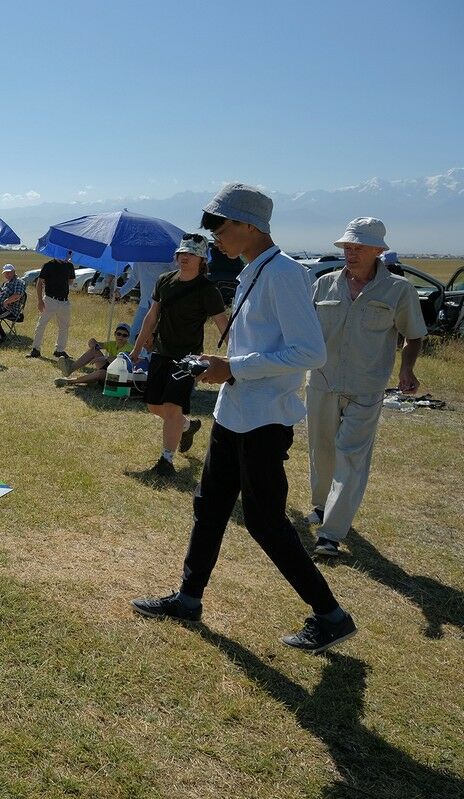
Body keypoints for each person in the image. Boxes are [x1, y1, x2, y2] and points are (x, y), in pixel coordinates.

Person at [132, 183, 356, 655]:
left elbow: (310, 352)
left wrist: (234, 366)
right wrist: (219, 365)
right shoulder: (254, 269)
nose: (214, 237)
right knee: (209, 507)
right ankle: (189, 599)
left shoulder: (284, 273)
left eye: (220, 226)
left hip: (264, 420)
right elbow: (258, 344)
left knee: (265, 522)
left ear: (249, 226)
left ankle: (331, 616)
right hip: (234, 412)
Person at [306, 218, 426, 557]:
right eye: (347, 246)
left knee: (351, 456)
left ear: (378, 251)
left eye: (359, 247)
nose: (351, 252)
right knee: (322, 450)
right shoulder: (324, 284)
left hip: (366, 387)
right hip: (322, 382)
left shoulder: (399, 290)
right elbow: (305, 332)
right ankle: (321, 505)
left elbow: (414, 335)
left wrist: (407, 369)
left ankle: (330, 534)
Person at [129, 234, 228, 477]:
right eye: (182, 253)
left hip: (188, 359)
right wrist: (137, 348)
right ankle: (187, 426)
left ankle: (166, 461)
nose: (185, 257)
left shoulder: (207, 289)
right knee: (154, 406)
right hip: (161, 352)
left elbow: (222, 324)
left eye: (191, 254)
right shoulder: (164, 281)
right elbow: (152, 316)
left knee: (173, 407)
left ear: (202, 260)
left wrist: (235, 360)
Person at [27, 252, 75, 359]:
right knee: (41, 324)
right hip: (49, 300)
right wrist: (40, 300)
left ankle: (60, 351)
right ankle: (35, 349)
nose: (69, 255)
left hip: (64, 302)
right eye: (68, 253)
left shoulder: (70, 266)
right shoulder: (48, 265)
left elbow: (71, 281)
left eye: (70, 254)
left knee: (64, 327)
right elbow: (39, 283)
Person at [55, 322, 133, 386]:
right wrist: (93, 344)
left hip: (118, 376)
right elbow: (96, 344)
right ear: (115, 334)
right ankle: (70, 369)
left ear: (128, 337)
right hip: (109, 369)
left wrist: (104, 358)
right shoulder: (112, 344)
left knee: (100, 373)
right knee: (94, 350)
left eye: (124, 335)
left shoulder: (129, 347)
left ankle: (70, 381)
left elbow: (121, 360)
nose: (121, 337)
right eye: (119, 334)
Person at [116, 260, 174, 340]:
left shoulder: (167, 257)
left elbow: (178, 276)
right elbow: (134, 279)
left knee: (159, 338)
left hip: (164, 307)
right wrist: (120, 293)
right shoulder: (139, 259)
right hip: (144, 305)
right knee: (133, 336)